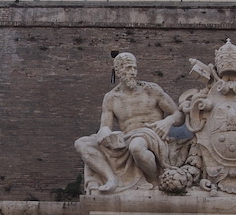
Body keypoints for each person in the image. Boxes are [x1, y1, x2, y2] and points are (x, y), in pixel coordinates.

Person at [75, 53, 178, 193]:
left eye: (134, 68)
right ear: (118, 71)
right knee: (82, 143)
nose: (133, 73)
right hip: (126, 139)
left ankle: (154, 180)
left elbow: (179, 114)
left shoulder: (151, 90)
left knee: (136, 147)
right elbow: (105, 127)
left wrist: (168, 121)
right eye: (128, 69)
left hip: (151, 136)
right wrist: (105, 132)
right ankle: (111, 179)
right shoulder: (111, 98)